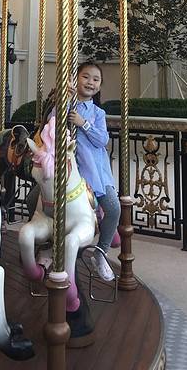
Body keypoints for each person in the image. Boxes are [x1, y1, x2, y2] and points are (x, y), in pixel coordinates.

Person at [67, 62, 120, 283]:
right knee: (35, 199)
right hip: (69, 170)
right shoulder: (65, 105)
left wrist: (83, 123)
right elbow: (50, 124)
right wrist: (64, 100)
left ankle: (100, 252)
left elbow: (102, 140)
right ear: (75, 79)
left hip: (95, 171)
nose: (90, 82)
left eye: (96, 79)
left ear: (99, 85)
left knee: (114, 208)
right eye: (85, 77)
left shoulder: (98, 113)